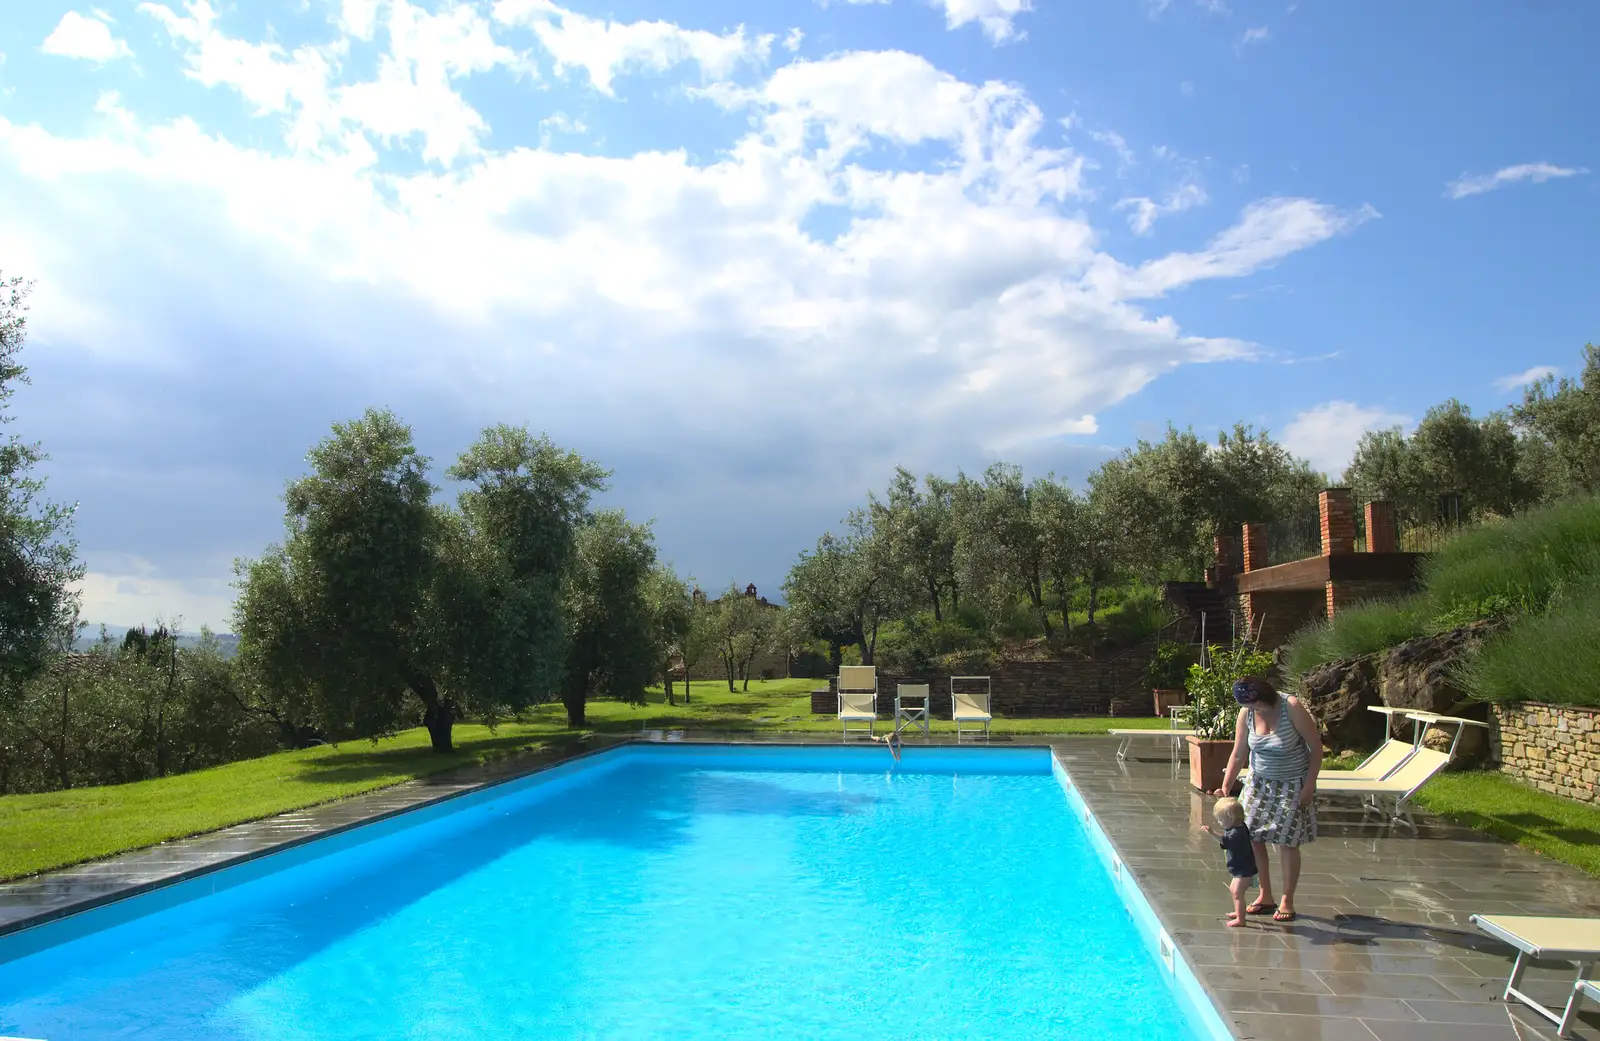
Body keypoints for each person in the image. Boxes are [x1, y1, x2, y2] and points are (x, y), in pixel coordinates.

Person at [1214, 674, 1321, 923]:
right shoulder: (1247, 713)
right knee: (1252, 836)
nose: (1252, 710)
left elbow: (1316, 749)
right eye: (1248, 706)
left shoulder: (1290, 707)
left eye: (1254, 704)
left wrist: (1309, 786)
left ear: (1265, 696)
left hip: (1292, 783)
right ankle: (1265, 895)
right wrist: (1225, 785)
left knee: (1287, 841)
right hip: (1258, 782)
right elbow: (1239, 752)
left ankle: (1287, 900)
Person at [1198, 797, 1257, 927]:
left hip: (1244, 869)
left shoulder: (1236, 833)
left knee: (1237, 892)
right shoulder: (1239, 827)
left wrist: (1212, 833)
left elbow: (1224, 840)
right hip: (1241, 867)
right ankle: (1238, 911)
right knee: (1234, 890)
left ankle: (1241, 919)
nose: (1219, 823)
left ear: (1230, 818)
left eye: (1220, 820)